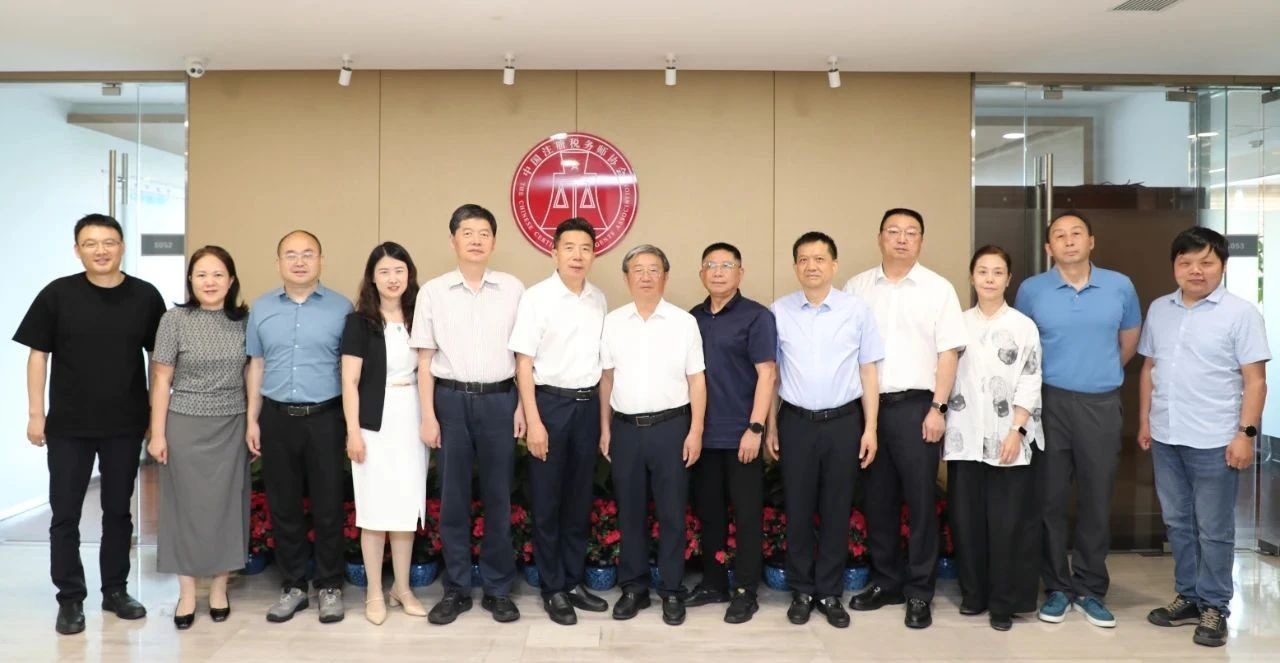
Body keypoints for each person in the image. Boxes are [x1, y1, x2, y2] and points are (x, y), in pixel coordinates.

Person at [14, 213, 166, 635]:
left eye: (109, 242)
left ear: (122, 246)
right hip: (68, 426)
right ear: (77, 249)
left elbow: (159, 362)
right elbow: (37, 356)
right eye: (90, 243)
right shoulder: (57, 294)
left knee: (118, 512)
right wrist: (36, 414)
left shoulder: (145, 296)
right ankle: (70, 598)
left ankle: (115, 591)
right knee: (65, 514)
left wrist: (154, 419)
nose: (101, 250)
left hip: (124, 424)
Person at [1138, 227, 1269, 648]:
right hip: (1166, 435)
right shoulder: (1160, 309)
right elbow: (1149, 369)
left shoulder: (1241, 313)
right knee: (1177, 522)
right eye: (1186, 262)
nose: (1196, 270)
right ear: (1174, 266)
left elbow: (1256, 381)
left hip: (1215, 438)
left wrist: (1245, 434)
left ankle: (1215, 605)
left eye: (1206, 262)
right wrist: (1144, 421)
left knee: (1213, 528)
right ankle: (1189, 596)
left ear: (1222, 266)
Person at [1014, 210, 1141, 628]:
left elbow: (1127, 343)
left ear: (1091, 241)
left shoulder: (1120, 286)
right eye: (1059, 235)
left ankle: (1089, 588)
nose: (1069, 241)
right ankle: (1056, 587)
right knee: (1048, 499)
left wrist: (1097, 373)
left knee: (1096, 498)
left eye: (1076, 233)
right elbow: (1022, 346)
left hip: (1100, 403)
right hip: (1048, 402)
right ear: (1048, 247)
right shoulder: (1032, 290)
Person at [846, 208, 965, 630]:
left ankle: (919, 591)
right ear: (880, 237)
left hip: (918, 407)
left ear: (921, 241)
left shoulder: (938, 289)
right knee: (877, 501)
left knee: (920, 503)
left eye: (911, 232)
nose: (901, 238)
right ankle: (887, 582)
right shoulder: (857, 287)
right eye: (893, 231)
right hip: (869, 409)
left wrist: (938, 408)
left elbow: (949, 353)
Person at [411, 204, 526, 625]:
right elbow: (425, 360)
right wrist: (428, 415)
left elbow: (524, 355)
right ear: (453, 240)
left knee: (499, 497)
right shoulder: (433, 292)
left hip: (500, 400)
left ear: (494, 241)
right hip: (451, 401)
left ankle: (497, 589)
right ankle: (457, 588)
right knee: (453, 499)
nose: (476, 240)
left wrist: (522, 408)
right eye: (467, 232)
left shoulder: (513, 288)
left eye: (484, 233)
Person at [768, 231, 881, 629]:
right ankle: (801, 590)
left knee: (837, 508)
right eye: (803, 259)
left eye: (819, 259)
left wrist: (870, 428)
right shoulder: (779, 311)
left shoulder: (857, 310)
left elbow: (869, 370)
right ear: (795, 266)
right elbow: (772, 374)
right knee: (797, 508)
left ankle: (830, 592)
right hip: (796, 422)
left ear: (834, 265)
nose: (811, 266)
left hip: (843, 423)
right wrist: (771, 425)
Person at [246, 230, 353, 624]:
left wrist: (352, 425)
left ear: (321, 260)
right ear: (278, 263)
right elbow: (256, 365)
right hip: (276, 418)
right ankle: (293, 585)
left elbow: (350, 371)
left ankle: (329, 586)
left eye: (308, 254)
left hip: (326, 417)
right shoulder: (261, 308)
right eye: (291, 254)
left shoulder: (342, 308)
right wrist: (252, 419)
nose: (300, 261)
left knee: (328, 505)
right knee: (283, 505)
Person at [509, 218, 611, 626]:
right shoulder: (536, 298)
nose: (577, 255)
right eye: (569, 247)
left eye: (585, 248)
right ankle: (553, 589)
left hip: (587, 407)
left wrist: (603, 424)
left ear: (594, 254)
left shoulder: (598, 298)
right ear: (554, 252)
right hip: (549, 405)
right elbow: (523, 363)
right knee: (547, 501)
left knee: (578, 500)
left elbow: (603, 366)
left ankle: (572, 581)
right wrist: (534, 421)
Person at [600, 244, 706, 627]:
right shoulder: (612, 322)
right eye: (638, 270)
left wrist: (696, 430)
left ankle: (672, 589)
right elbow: (606, 378)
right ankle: (634, 588)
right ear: (626, 277)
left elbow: (697, 380)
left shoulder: (683, 322)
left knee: (672, 513)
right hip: (626, 429)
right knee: (630, 512)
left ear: (665, 276)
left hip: (672, 428)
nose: (646, 276)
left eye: (653, 269)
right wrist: (605, 427)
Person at [148, 246, 250, 630]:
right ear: (190, 280)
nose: (210, 282)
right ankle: (188, 593)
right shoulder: (173, 320)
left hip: (231, 423)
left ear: (231, 280)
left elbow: (252, 374)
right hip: (184, 425)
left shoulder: (245, 321)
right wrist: (157, 433)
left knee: (228, 505)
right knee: (183, 509)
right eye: (202, 274)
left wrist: (253, 423)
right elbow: (161, 380)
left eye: (218, 274)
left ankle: (220, 588)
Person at [943, 245, 1042, 632]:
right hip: (964, 437)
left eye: (997, 272)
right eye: (982, 271)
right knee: (966, 521)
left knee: (1007, 524)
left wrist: (1017, 429)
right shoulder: (956, 324)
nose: (989, 278)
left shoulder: (1023, 326)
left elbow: (1031, 379)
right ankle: (974, 594)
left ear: (1008, 279)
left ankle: (1004, 602)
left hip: (1007, 440)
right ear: (972, 277)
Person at [685, 242, 777, 625]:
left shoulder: (757, 317)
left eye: (727, 265)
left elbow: (767, 374)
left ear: (741, 273)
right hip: (703, 436)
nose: (719, 272)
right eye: (711, 265)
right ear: (701, 273)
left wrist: (756, 427)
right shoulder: (691, 319)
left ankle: (745, 590)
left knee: (747, 515)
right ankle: (713, 583)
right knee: (709, 514)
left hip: (743, 436)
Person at [340, 242, 427, 625]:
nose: (393, 279)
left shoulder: (420, 316)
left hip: (412, 418)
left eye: (399, 271)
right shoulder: (359, 322)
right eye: (384, 272)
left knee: (406, 510)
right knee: (374, 510)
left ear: (409, 275)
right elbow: (349, 381)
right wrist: (353, 432)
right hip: (373, 423)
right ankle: (375, 591)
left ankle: (402, 588)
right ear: (372, 278)